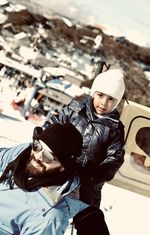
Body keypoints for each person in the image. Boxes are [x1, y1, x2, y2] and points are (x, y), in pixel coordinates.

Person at [0, 123, 110, 235]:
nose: (38, 157)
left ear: (63, 167)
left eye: (48, 156)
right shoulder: (23, 155)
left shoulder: (49, 216)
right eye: (38, 146)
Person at [43, 68, 126, 208]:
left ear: (117, 102)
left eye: (111, 99)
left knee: (82, 218)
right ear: (93, 92)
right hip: (57, 171)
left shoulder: (115, 129)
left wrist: (94, 175)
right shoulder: (75, 110)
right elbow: (53, 125)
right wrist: (45, 141)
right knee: (43, 205)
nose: (104, 103)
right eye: (100, 95)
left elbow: (114, 159)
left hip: (87, 184)